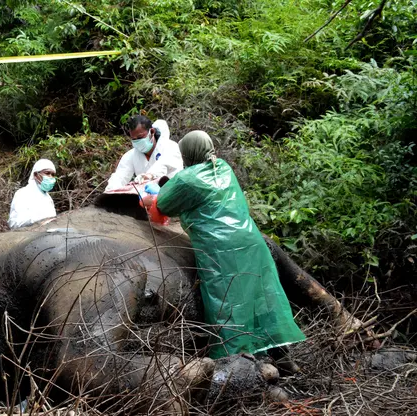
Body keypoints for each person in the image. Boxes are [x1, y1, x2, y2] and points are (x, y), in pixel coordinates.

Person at [155, 130, 306, 371]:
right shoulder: (223, 166)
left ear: (187, 154)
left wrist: (159, 188)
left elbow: (163, 204)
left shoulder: (187, 178)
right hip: (251, 242)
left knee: (227, 305)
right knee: (262, 299)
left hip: (221, 251)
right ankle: (283, 358)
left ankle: (237, 365)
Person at [105, 115, 183, 192]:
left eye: (140, 137)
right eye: (134, 139)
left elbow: (163, 164)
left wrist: (149, 175)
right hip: (147, 199)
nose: (138, 142)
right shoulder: (131, 155)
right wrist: (110, 190)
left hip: (173, 194)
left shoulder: (170, 147)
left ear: (152, 132)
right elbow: (120, 176)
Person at [8, 159, 57, 229]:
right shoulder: (23, 194)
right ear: (36, 174)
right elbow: (14, 223)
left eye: (53, 174)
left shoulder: (48, 198)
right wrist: (38, 219)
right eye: (47, 173)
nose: (50, 177)